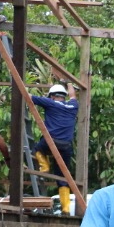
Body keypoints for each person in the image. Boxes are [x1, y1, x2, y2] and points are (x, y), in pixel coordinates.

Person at [31, 82, 79, 210]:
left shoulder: (50, 103)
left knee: (36, 149)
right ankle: (66, 208)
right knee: (62, 177)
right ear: (64, 96)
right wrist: (69, 83)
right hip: (66, 146)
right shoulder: (73, 106)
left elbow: (28, 96)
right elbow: (73, 96)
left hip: (51, 142)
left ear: (52, 96)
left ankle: (44, 166)